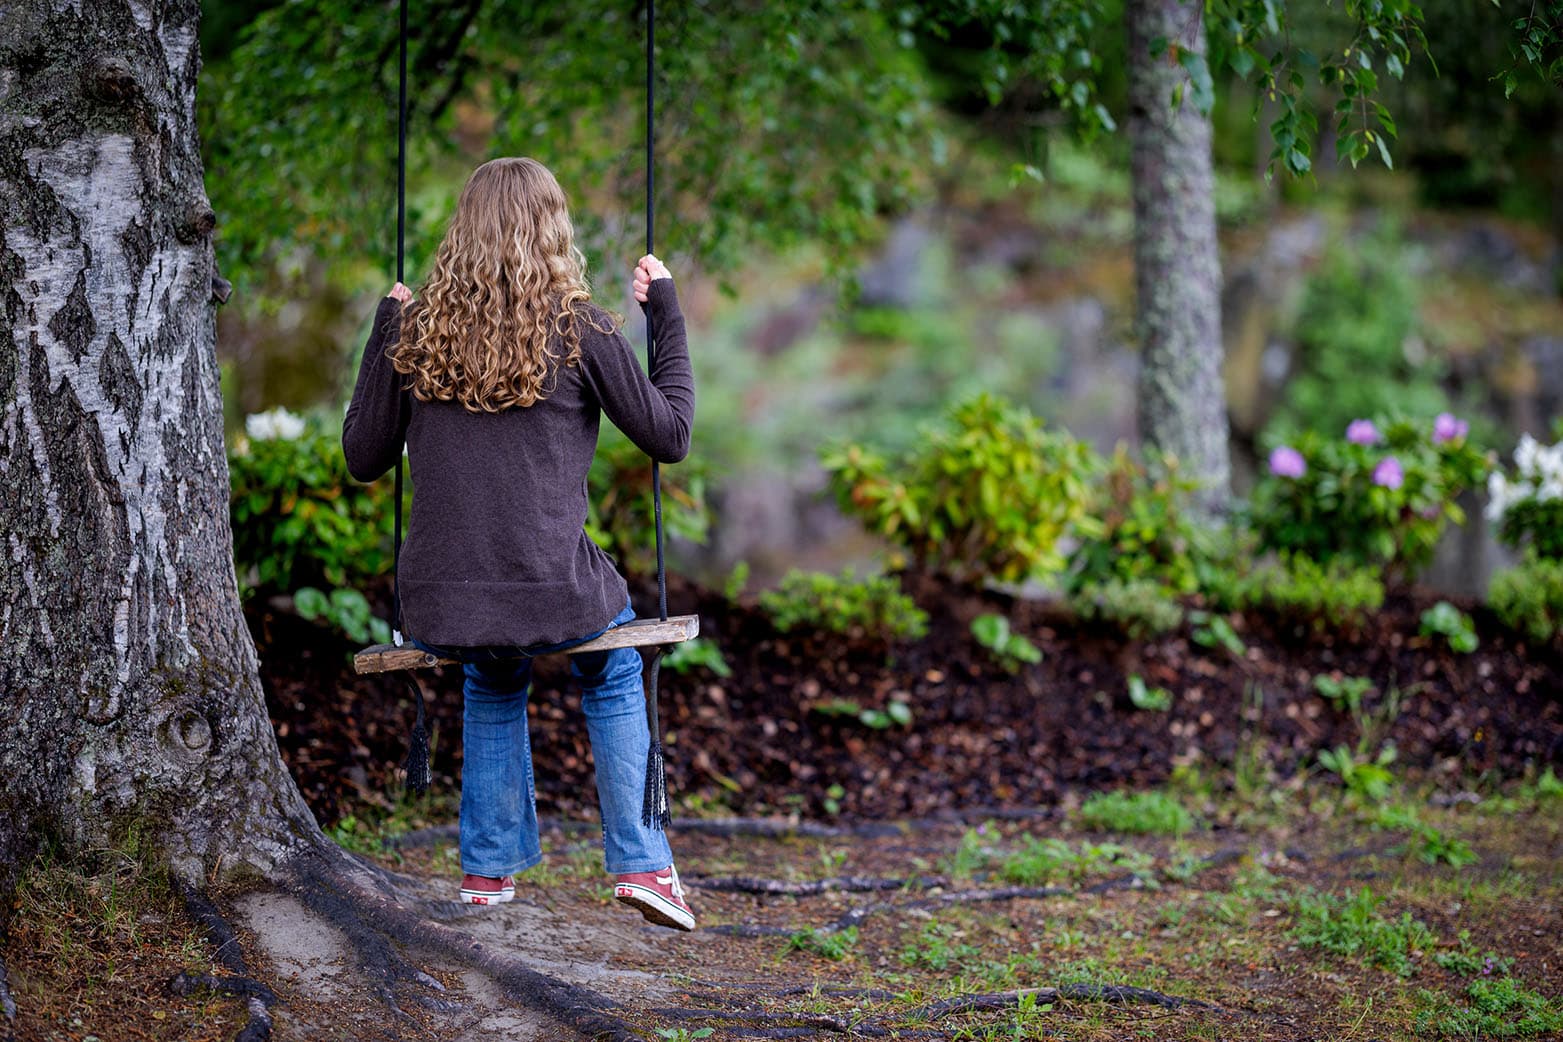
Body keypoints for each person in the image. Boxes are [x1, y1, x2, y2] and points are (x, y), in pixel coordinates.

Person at [342, 156, 696, 931]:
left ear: (460, 232)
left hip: (443, 599)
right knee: (610, 661)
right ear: (553, 230)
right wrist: (664, 314)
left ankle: (487, 873)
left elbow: (362, 457)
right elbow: (668, 436)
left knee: (492, 673)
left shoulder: (418, 331)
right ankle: (643, 863)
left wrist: (385, 328)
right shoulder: (584, 329)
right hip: (550, 587)